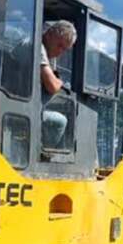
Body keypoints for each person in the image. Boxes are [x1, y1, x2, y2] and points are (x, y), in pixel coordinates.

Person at [39, 20, 77, 148]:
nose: (59, 52)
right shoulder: (37, 47)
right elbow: (52, 86)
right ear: (49, 34)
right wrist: (59, 81)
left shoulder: (40, 48)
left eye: (64, 49)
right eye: (59, 45)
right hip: (21, 109)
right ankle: (45, 155)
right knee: (60, 121)